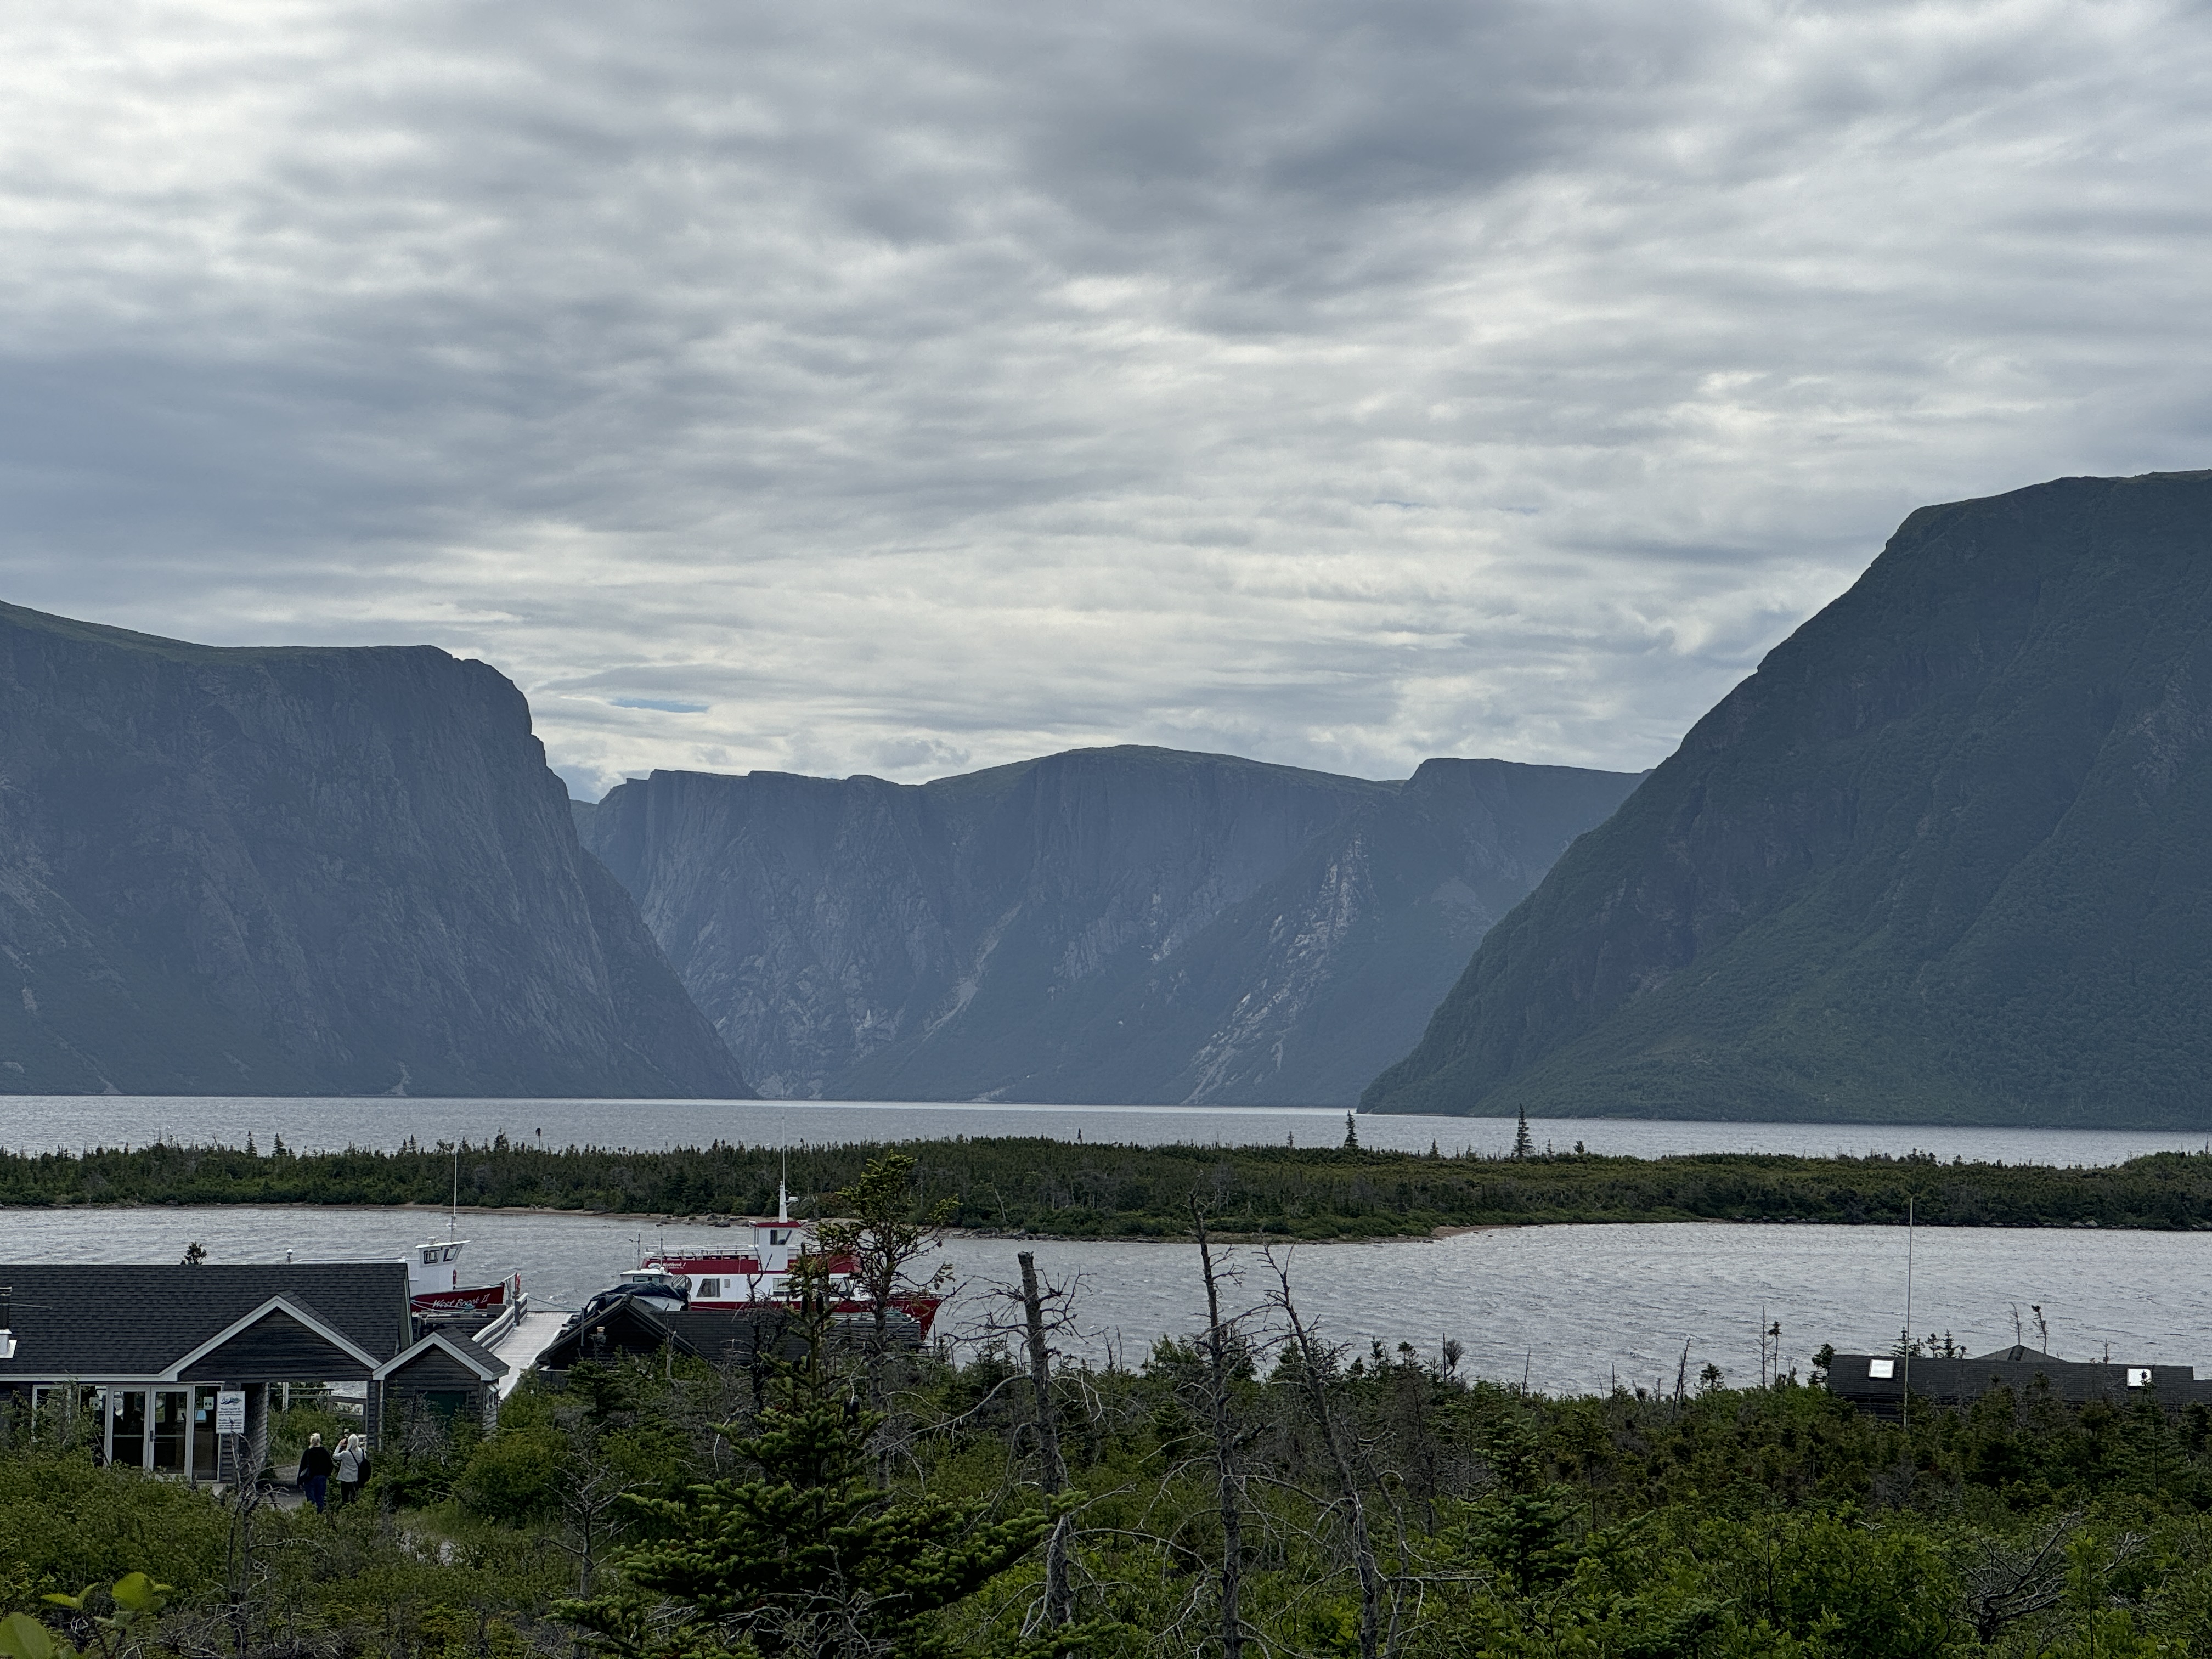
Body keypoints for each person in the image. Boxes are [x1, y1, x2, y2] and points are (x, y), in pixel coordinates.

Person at [298, 1431, 334, 1512]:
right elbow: (331, 1466)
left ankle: (312, 1516)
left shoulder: (307, 1452)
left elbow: (302, 1467)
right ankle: (320, 1516)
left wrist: (300, 1482)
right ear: (319, 1441)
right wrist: (326, 1475)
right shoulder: (324, 1452)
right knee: (320, 1498)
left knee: (311, 1499)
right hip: (321, 1478)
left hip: (309, 1478)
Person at [335, 1432, 362, 1505]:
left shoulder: (346, 1453)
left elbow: (335, 1456)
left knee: (345, 1497)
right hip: (355, 1477)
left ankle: (345, 1510)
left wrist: (340, 1445)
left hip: (345, 1478)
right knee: (354, 1496)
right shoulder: (360, 1452)